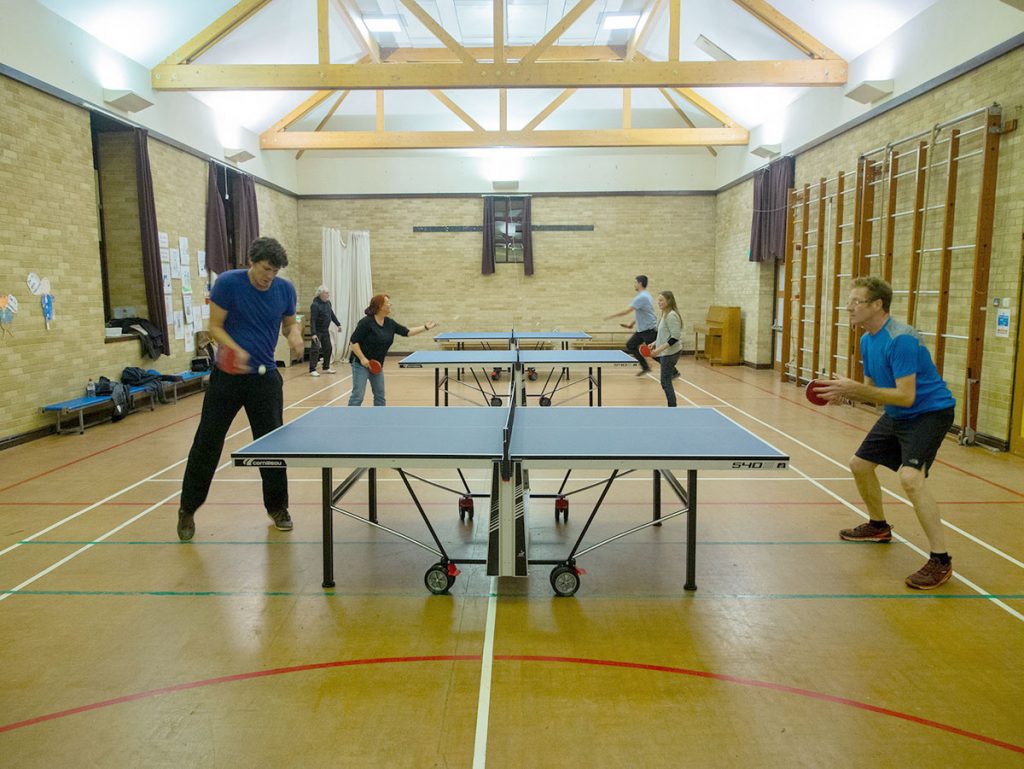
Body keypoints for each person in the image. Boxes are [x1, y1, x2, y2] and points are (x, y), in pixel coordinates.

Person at [816, 276, 957, 590]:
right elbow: (875, 391)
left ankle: (941, 559)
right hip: (897, 413)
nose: (848, 307)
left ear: (877, 305)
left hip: (928, 413)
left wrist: (857, 389)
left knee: (910, 478)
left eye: (856, 302)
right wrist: (848, 394)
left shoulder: (901, 339)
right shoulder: (867, 338)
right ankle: (879, 526)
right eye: (849, 301)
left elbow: (906, 395)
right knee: (859, 465)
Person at [176, 237, 304, 542]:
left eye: (274, 271)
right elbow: (215, 327)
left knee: (271, 446)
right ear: (252, 262)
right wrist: (235, 350)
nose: (269, 276)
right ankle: (188, 509)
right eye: (265, 269)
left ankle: (278, 508)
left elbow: (288, 323)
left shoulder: (284, 290)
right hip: (228, 377)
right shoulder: (228, 284)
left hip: (265, 379)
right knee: (207, 441)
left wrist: (295, 335)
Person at [348, 294, 437, 406]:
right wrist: (362, 358)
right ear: (380, 306)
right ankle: (350, 419)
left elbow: (407, 331)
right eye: (388, 303)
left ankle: (380, 420)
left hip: (377, 364)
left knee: (380, 396)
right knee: (358, 396)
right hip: (362, 364)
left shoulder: (389, 323)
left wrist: (425, 328)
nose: (390, 305)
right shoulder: (366, 323)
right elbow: (353, 341)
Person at [605, 275, 657, 376]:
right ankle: (645, 367)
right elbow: (643, 313)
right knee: (631, 345)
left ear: (640, 283)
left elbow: (626, 311)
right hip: (642, 330)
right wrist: (632, 324)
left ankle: (673, 371)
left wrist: (611, 316)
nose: (634, 284)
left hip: (649, 330)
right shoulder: (647, 295)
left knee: (654, 354)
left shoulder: (641, 297)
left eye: (635, 282)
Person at [648, 290, 683, 406]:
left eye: (661, 300)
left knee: (665, 382)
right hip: (666, 353)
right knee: (665, 381)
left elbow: (674, 337)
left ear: (669, 301)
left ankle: (672, 408)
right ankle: (673, 371)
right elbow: (663, 334)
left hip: (670, 353)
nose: (658, 302)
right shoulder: (664, 314)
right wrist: (654, 343)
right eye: (658, 300)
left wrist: (658, 350)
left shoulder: (672, 315)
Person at [308, 285, 342, 377]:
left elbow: (331, 314)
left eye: (328, 293)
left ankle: (326, 367)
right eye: (326, 293)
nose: (328, 295)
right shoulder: (315, 305)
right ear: (320, 294)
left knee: (328, 348)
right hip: (317, 331)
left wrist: (338, 324)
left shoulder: (328, 303)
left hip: (325, 330)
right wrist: (313, 333)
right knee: (315, 349)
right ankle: (312, 369)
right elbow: (313, 320)